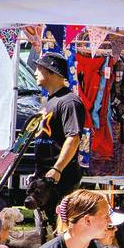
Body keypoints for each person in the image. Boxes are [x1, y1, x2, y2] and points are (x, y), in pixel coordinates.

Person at [31, 51, 87, 218]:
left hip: (61, 177)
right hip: (46, 175)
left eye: (39, 68)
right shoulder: (50, 100)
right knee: (47, 228)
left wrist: (58, 168)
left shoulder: (69, 101)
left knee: (60, 226)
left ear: (51, 72)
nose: (35, 72)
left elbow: (74, 137)